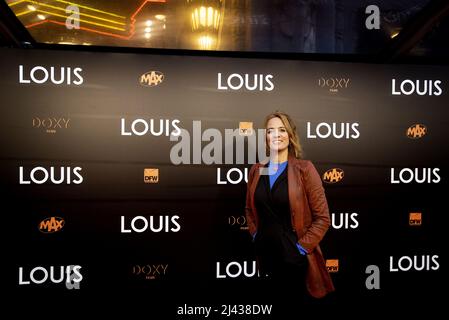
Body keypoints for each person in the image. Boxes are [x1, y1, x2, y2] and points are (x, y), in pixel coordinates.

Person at [245, 111, 334, 301]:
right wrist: (256, 235)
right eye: (271, 131)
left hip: (294, 261)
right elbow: (249, 209)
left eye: (281, 129)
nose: (276, 135)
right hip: (265, 258)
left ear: (290, 135)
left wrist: (299, 248)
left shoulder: (304, 169)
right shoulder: (256, 170)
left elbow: (323, 218)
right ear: (266, 137)